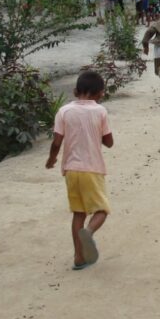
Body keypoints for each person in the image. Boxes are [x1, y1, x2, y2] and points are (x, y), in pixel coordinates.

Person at [45, 71, 113, 271]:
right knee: (102, 210)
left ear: (75, 91)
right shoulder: (100, 111)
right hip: (92, 169)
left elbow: (57, 141)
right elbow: (109, 142)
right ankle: (89, 233)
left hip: (70, 170)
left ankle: (79, 258)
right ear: (100, 93)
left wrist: (51, 159)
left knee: (78, 213)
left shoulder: (64, 111)